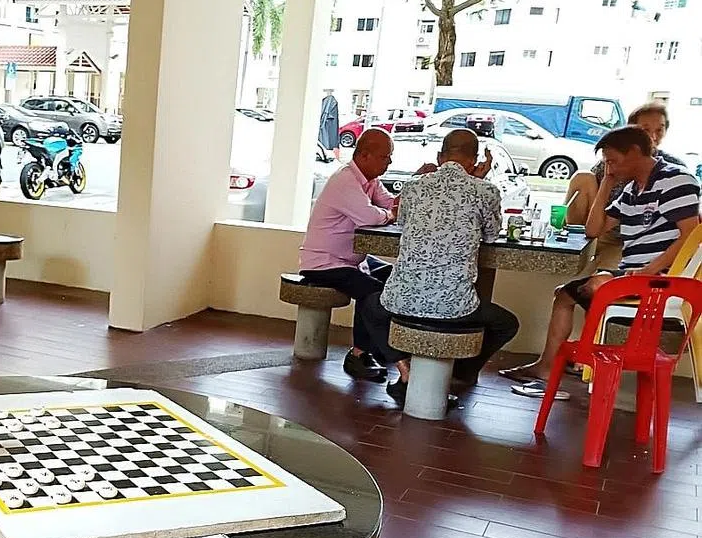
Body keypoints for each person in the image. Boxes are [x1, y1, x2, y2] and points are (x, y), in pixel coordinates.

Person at [500, 125, 700, 388]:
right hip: (633, 273)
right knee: (564, 295)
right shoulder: (632, 190)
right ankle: (547, 367)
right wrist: (607, 183)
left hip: (661, 278)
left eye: (613, 161)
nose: (610, 167)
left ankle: (590, 361)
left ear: (635, 152)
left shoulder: (676, 180)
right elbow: (593, 229)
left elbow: (690, 234)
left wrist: (651, 269)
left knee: (597, 285)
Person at [361, 129, 519, 402]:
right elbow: (492, 235)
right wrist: (478, 181)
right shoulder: (485, 191)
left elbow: (403, 223)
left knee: (370, 307)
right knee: (506, 324)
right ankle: (459, 373)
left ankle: (405, 370)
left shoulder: (413, 187)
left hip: (402, 301)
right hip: (456, 308)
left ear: (439, 156)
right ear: (475, 160)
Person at [299, 128, 399, 382]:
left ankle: (380, 346)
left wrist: (413, 191)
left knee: (395, 275)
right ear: (364, 155)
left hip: (351, 260)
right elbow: (369, 216)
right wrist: (390, 215)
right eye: (385, 157)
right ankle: (358, 354)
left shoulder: (370, 181)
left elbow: (391, 203)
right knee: (372, 292)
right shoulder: (345, 180)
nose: (389, 162)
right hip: (323, 262)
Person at [563, 102, 685, 271]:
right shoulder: (613, 163)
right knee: (582, 177)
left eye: (659, 130)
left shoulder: (674, 171)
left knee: (604, 277)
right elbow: (594, 225)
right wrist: (607, 182)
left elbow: (688, 230)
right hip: (602, 228)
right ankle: (572, 241)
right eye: (646, 129)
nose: (653, 136)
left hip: (634, 240)